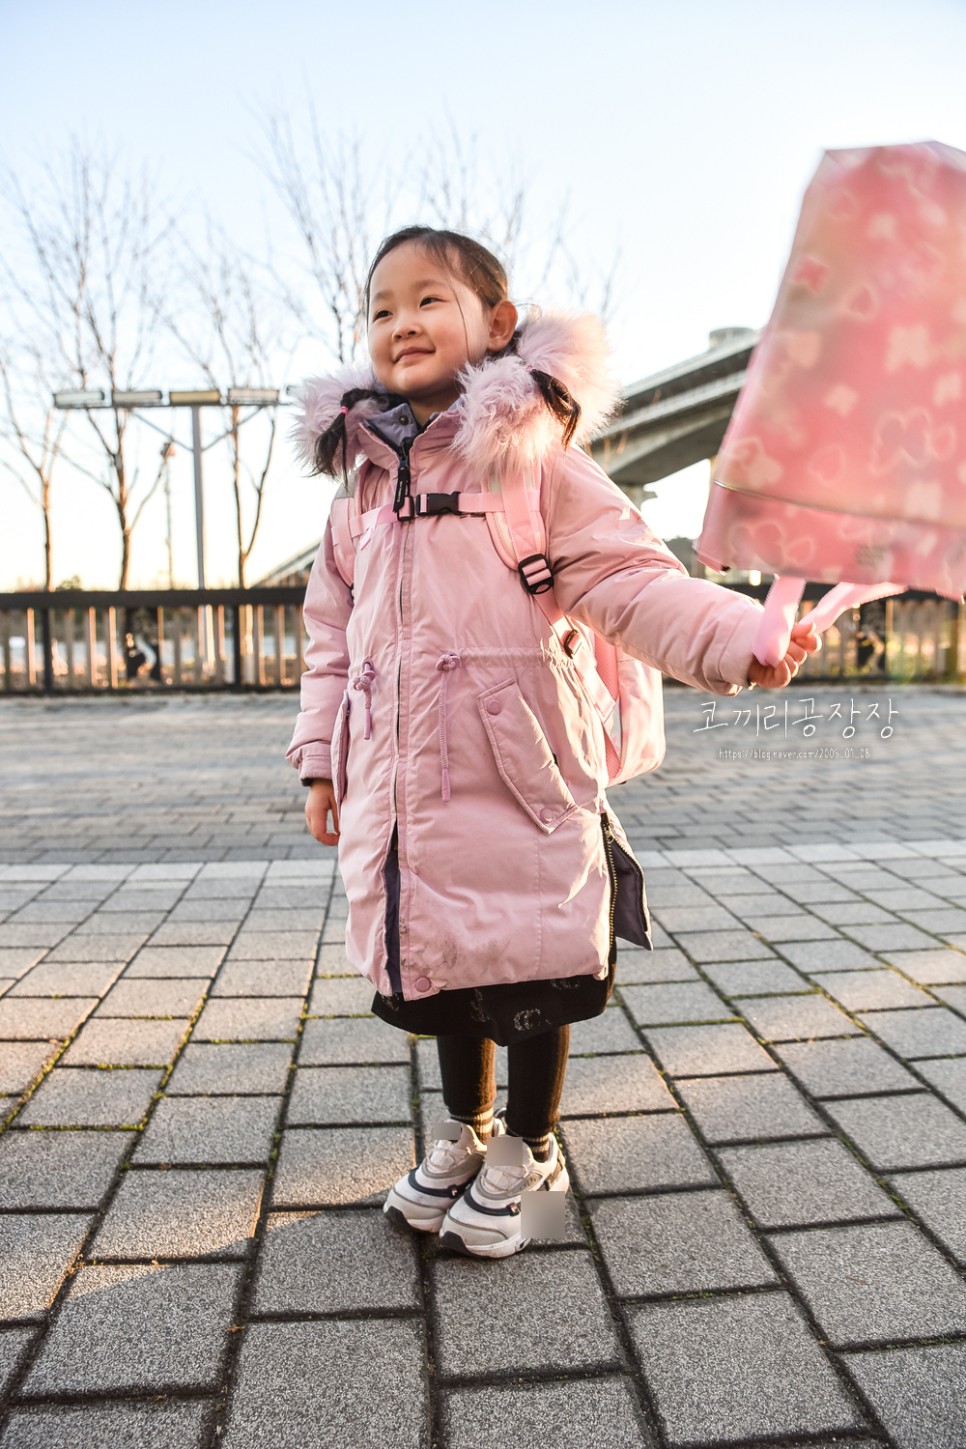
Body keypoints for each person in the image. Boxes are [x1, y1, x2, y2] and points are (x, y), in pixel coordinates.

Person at [286, 225, 819, 1260]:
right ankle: (465, 1131)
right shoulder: (360, 488)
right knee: (441, 970)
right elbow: (328, 639)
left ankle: (529, 1148)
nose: (401, 323)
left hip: (521, 774)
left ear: (496, 322)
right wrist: (321, 760)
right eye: (382, 308)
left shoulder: (538, 463)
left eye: (427, 300)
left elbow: (630, 578)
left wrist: (733, 637)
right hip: (400, 785)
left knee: (528, 969)